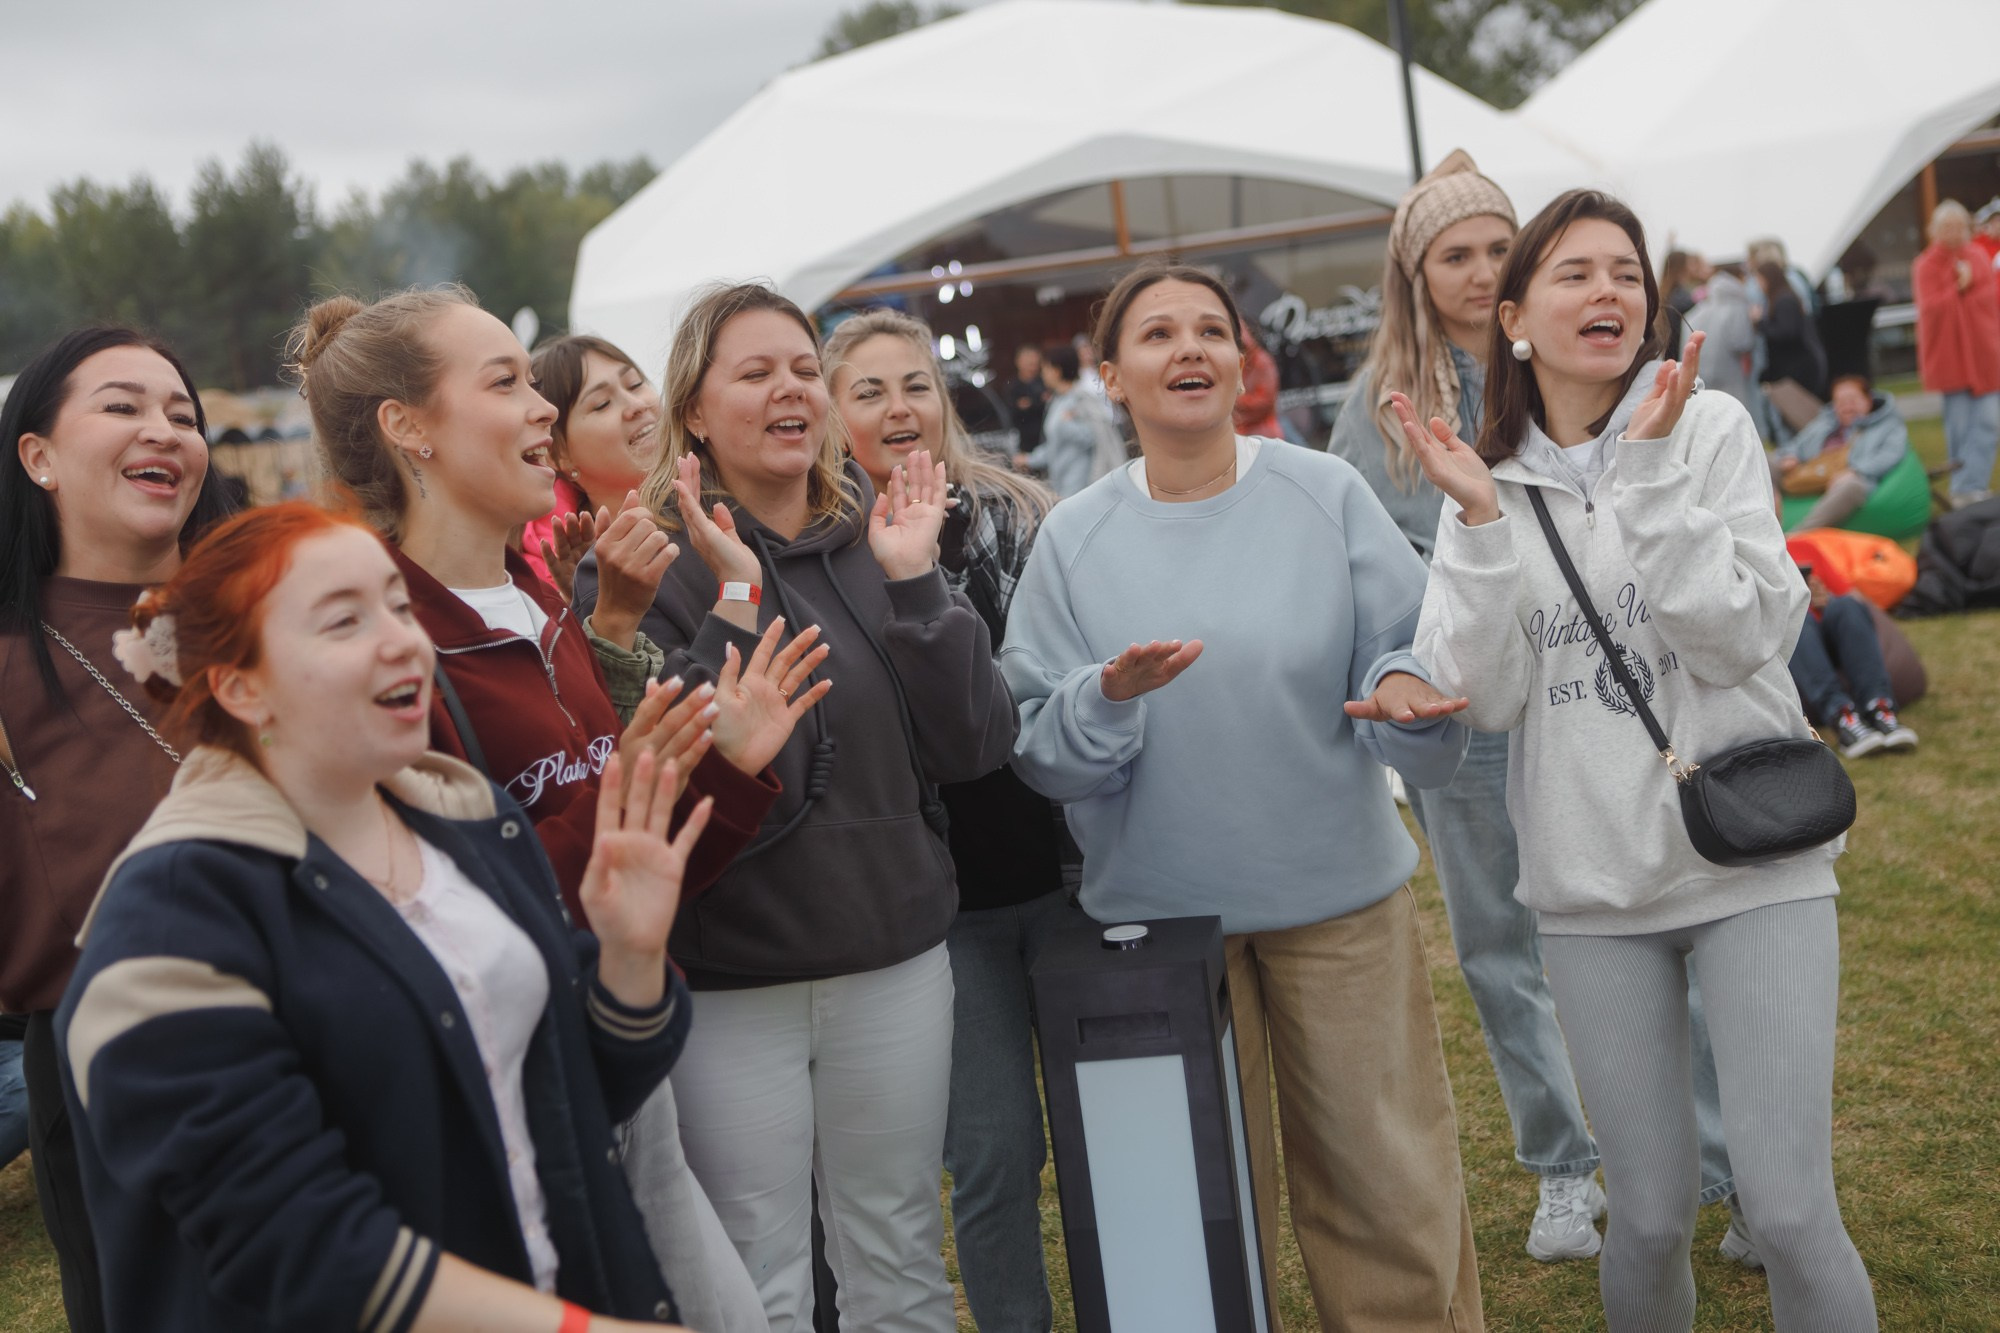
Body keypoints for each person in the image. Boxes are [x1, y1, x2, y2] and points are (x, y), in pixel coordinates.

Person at [292, 286, 827, 1333]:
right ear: (409, 428)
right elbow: (429, 920)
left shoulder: (539, 602)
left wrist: (722, 773)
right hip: (506, 1106)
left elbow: (630, 886)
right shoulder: (384, 646)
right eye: (505, 383)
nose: (543, 406)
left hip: (617, 1060)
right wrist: (629, 793)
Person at [1404, 187, 1876, 1331]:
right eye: (1573, 273)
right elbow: (1488, 697)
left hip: (1750, 861)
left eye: (1624, 272)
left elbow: (1738, 638)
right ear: (1513, 317)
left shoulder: (1704, 429)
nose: (1605, 290)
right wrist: (1478, 526)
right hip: (1588, 889)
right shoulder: (1481, 480)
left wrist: (1652, 474)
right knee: (1650, 1219)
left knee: (1787, 1209)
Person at [57, 501, 707, 1331]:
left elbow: (563, 1098)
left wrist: (631, 956)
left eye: (400, 606)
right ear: (239, 686)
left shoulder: (470, 823)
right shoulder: (172, 917)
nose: (404, 640)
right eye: (344, 621)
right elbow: (294, 1242)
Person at [1002, 260, 1483, 1330]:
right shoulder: (1072, 538)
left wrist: (1402, 686)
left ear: (1238, 357)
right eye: (1157, 333)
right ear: (1109, 376)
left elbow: (1405, 648)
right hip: (1156, 932)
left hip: (1339, 909)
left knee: (1387, 1191)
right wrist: (1106, 698)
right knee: (1186, 1222)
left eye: (1210, 330)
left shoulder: (1325, 493)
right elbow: (1040, 745)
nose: (1189, 349)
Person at [584, 282, 1018, 1333]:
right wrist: (734, 601)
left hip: (892, 960)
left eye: (800, 369)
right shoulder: (647, 566)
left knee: (897, 1252)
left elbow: (975, 745)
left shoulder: (884, 534)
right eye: (754, 372)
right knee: (757, 1275)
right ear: (694, 411)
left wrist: (916, 585)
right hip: (732, 980)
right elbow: (663, 776)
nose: (789, 389)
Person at [1330, 148, 1617, 1261]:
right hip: (1462, 697)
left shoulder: (1567, 365)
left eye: (1499, 246)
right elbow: (1370, 568)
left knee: (1642, 918)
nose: (1480, 268)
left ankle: (1712, 1161)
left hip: (1590, 686)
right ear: (1415, 272)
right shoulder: (1380, 410)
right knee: (1499, 944)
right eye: (1455, 253)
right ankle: (1561, 1166)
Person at [825, 306, 1066, 1333]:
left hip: (1071, 875)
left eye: (914, 384)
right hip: (943, 906)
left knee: (1112, 1124)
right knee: (994, 1150)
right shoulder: (828, 553)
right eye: (868, 391)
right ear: (831, 414)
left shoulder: (1023, 515)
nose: (898, 408)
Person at [0, 326, 238, 1333]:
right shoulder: (10, 663)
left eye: (183, 413)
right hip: (116, 1074)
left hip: (327, 1023)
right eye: (123, 406)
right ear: (38, 456)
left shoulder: (275, 615)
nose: (164, 430)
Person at [519, 334, 665, 598]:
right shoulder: (543, 587)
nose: (637, 406)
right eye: (602, 404)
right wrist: (586, 602)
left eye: (635, 384)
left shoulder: (727, 495)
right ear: (558, 455)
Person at [1913, 200, 2000, 506]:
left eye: (1958, 226)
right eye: (1946, 227)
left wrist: (1969, 286)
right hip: (1950, 358)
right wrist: (1958, 288)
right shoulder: (1926, 265)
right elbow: (1930, 309)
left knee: (1990, 421)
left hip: (1984, 355)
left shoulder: (1977, 256)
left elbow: (1989, 299)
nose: (1953, 232)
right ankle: (1963, 489)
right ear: (1934, 230)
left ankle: (1974, 485)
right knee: (1959, 426)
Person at [1789, 568, 1918, 757]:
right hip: (1797, 650)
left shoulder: (1809, 554)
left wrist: (1826, 598)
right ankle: (1842, 717)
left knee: (1846, 605)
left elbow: (1856, 598)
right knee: (1794, 617)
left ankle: (1879, 707)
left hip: (1833, 637)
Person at [1771, 375, 1911, 531]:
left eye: (1853, 400)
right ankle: (1767, 514)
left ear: (1868, 400)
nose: (1847, 407)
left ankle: (1798, 535)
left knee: (1851, 486)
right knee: (1765, 460)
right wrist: (1790, 456)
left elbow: (1891, 454)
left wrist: (1855, 470)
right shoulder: (1824, 422)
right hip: (1810, 473)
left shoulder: (1888, 426)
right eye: (1841, 402)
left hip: (1848, 479)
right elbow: (1797, 444)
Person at [1017, 342, 1123, 498]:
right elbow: (1055, 444)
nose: (1042, 374)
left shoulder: (1081, 398)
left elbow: (1093, 437)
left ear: (1056, 370)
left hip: (1081, 484)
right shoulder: (1057, 400)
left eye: (1045, 368)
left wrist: (1067, 424)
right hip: (1061, 480)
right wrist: (1030, 459)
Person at [1685, 263, 1761, 416]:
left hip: (1703, 376)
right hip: (1730, 377)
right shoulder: (1737, 306)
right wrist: (1754, 325)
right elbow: (1742, 342)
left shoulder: (1699, 309)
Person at [1755, 259, 1828, 401]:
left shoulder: (1784, 300)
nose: (1758, 284)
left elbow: (1786, 333)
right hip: (1796, 365)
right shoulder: (1782, 297)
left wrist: (1760, 323)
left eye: (1759, 279)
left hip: (1798, 368)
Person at [1232, 317, 1284, 440]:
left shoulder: (1262, 362)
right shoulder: (1232, 362)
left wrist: (1235, 400)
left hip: (1262, 431)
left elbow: (1265, 401)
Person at [1001, 344, 1049, 457]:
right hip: (1024, 443)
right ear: (1019, 362)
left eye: (1036, 364)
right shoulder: (1012, 387)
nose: (1033, 368)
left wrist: (1031, 404)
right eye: (1030, 364)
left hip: (1046, 439)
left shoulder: (1045, 383)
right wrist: (1037, 402)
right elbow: (1014, 410)